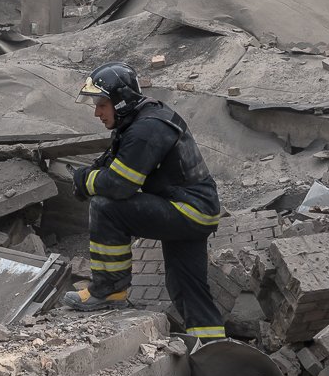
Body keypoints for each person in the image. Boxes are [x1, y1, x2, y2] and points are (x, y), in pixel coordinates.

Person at [61, 62, 226, 343]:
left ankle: (109, 289)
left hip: (186, 210)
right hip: (196, 211)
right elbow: (113, 166)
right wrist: (88, 177)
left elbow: (119, 185)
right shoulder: (140, 121)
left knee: (105, 207)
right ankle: (213, 351)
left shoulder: (146, 129)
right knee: (187, 288)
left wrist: (85, 181)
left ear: (120, 100)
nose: (97, 112)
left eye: (102, 104)